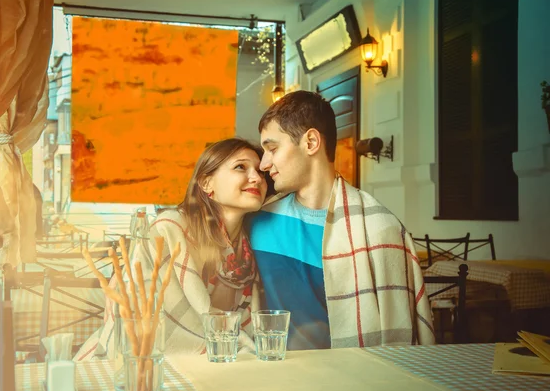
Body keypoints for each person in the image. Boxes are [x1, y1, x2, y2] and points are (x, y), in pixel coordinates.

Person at [248, 91, 435, 349]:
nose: (264, 164)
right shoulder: (257, 222)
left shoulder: (381, 229)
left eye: (272, 148)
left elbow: (399, 336)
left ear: (311, 142)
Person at [75, 137, 267, 360]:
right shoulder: (170, 229)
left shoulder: (252, 246)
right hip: (143, 361)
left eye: (260, 171)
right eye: (240, 167)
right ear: (206, 184)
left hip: (221, 359)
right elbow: (138, 314)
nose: (256, 177)